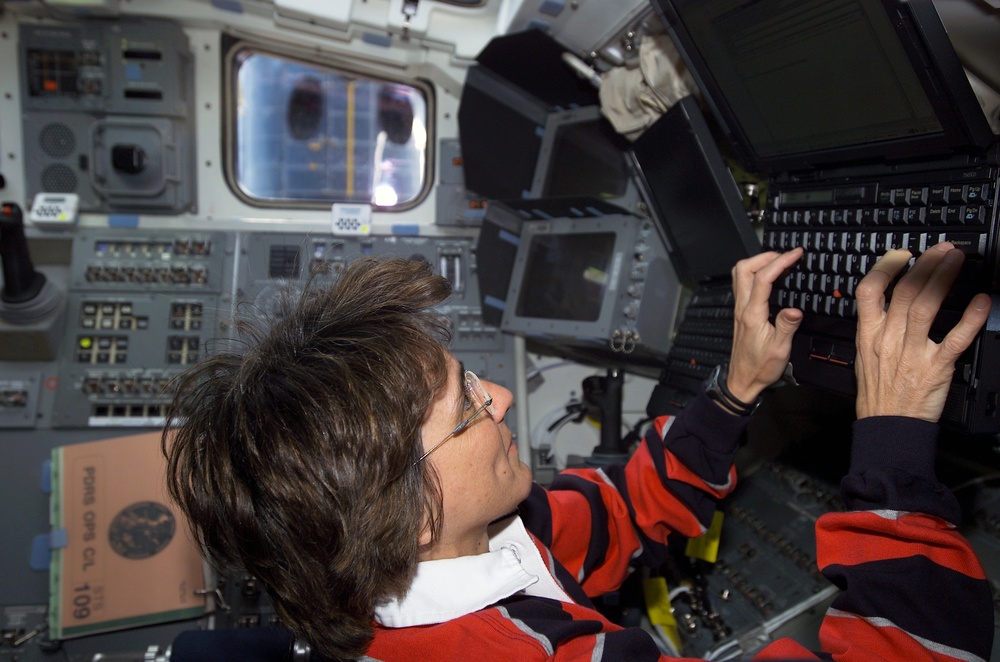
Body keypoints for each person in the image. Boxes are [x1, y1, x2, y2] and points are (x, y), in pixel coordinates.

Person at [163, 241, 994, 661]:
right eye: (467, 410)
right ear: (411, 513)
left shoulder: (454, 552)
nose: (500, 399)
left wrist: (733, 393)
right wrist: (890, 442)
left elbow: (623, 510)